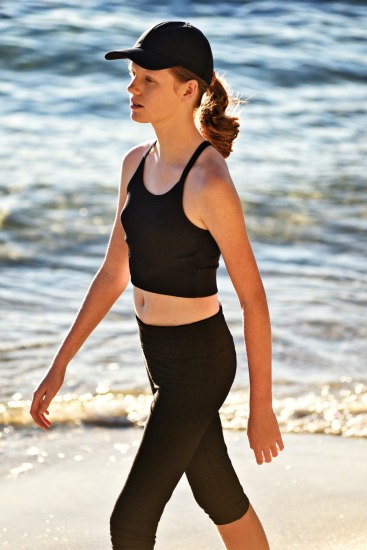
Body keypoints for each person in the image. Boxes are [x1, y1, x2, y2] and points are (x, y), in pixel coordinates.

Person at [30, 21, 284, 550]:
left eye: (148, 79)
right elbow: (113, 273)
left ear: (188, 90)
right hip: (159, 354)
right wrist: (61, 363)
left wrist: (262, 406)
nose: (132, 89)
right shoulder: (134, 165)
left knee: (130, 522)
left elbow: (253, 298)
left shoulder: (208, 182)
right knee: (218, 493)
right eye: (132, 76)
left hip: (200, 362)